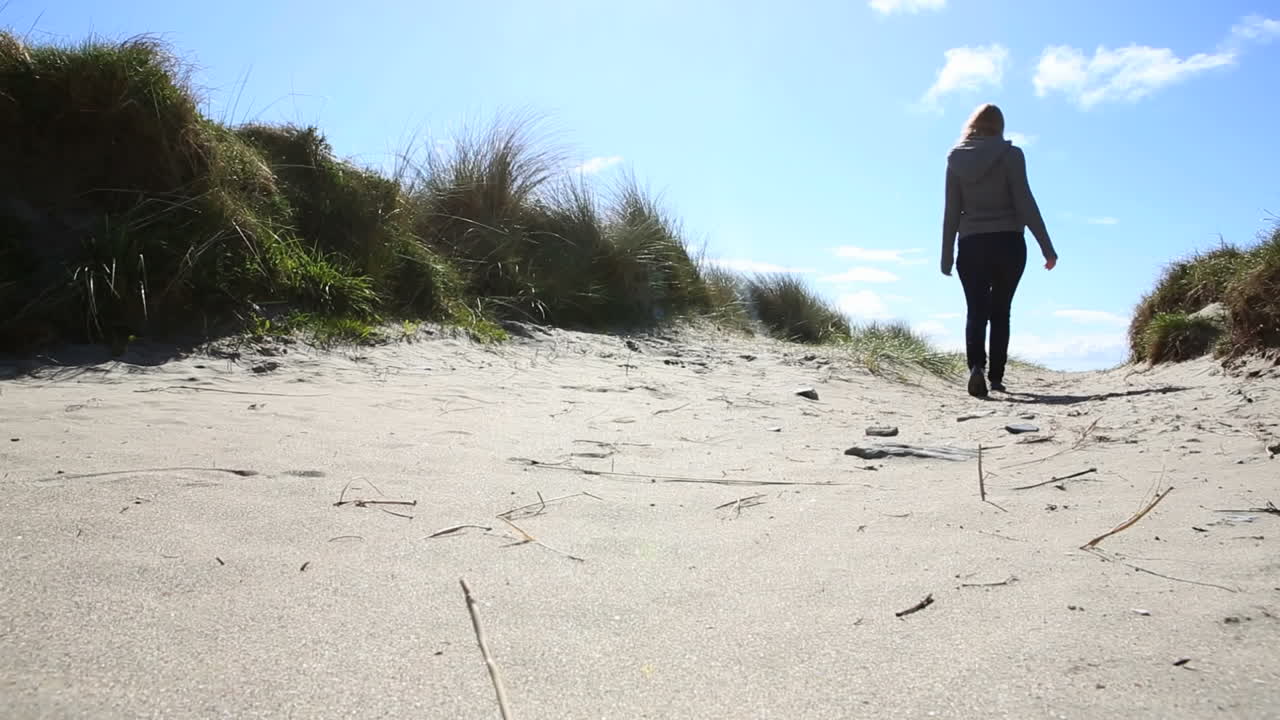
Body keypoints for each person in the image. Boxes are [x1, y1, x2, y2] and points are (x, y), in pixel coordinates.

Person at [941, 103, 1057, 398]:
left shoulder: (955, 158)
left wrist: (946, 255)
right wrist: (1047, 247)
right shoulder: (1011, 155)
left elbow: (951, 210)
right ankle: (996, 378)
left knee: (975, 310)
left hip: (971, 244)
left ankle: (975, 368)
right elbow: (1025, 202)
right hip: (1009, 243)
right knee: (1001, 311)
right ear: (1000, 126)